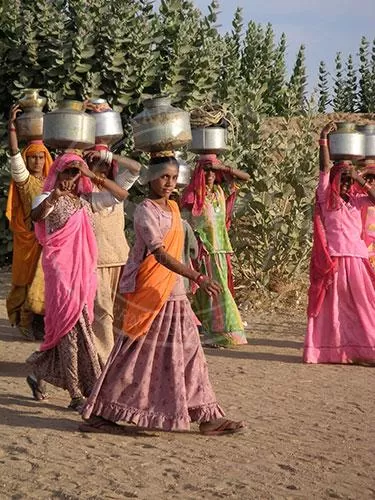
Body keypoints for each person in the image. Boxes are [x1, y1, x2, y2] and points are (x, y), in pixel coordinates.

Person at [80, 155, 245, 435]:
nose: (169, 183)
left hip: (175, 294)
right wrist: (197, 277)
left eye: (173, 177)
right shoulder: (146, 211)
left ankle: (207, 416)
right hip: (151, 295)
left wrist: (191, 277)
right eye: (163, 177)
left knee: (191, 355)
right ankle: (100, 412)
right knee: (134, 357)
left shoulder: (172, 208)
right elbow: (159, 254)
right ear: (150, 178)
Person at [26, 153, 129, 410]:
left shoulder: (85, 202)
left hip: (83, 274)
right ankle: (76, 393)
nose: (71, 178)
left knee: (75, 328)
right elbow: (36, 217)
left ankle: (39, 373)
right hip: (60, 273)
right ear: (57, 173)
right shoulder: (46, 197)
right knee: (70, 329)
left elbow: (122, 195)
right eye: (67, 172)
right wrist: (55, 197)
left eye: (75, 173)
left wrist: (91, 175)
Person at [304, 122, 375, 364]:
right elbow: (324, 169)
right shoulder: (326, 197)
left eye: (348, 181)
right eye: (341, 180)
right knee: (331, 309)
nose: (345, 184)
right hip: (332, 259)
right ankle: (328, 351)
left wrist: (360, 179)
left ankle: (367, 349)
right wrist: (323, 139)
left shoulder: (358, 199)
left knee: (364, 304)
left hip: (356, 259)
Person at [181, 154, 249, 348]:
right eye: (206, 170)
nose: (210, 174)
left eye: (213, 170)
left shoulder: (220, 191)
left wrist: (225, 168)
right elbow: (184, 224)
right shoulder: (191, 196)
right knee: (213, 293)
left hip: (221, 249)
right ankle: (226, 332)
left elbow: (245, 178)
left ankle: (217, 333)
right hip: (203, 252)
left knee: (217, 292)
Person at [83, 147, 141, 367]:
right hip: (95, 263)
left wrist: (108, 155)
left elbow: (136, 168)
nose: (101, 167)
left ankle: (116, 360)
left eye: (104, 164)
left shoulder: (116, 185)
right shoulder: (84, 196)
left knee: (120, 314)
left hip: (121, 259)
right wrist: (90, 174)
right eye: (94, 162)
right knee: (102, 314)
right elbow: (118, 196)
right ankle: (104, 363)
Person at [5, 104, 53, 340]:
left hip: (49, 241)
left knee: (44, 282)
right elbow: (14, 156)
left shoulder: (53, 182)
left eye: (40, 157)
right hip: (29, 239)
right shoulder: (24, 180)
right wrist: (11, 128)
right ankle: (25, 321)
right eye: (32, 157)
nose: (35, 161)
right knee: (26, 281)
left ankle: (42, 322)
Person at [359, 163, 375, 270]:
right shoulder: (358, 197)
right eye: (368, 178)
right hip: (361, 246)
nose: (371, 181)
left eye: (374, 178)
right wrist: (361, 174)